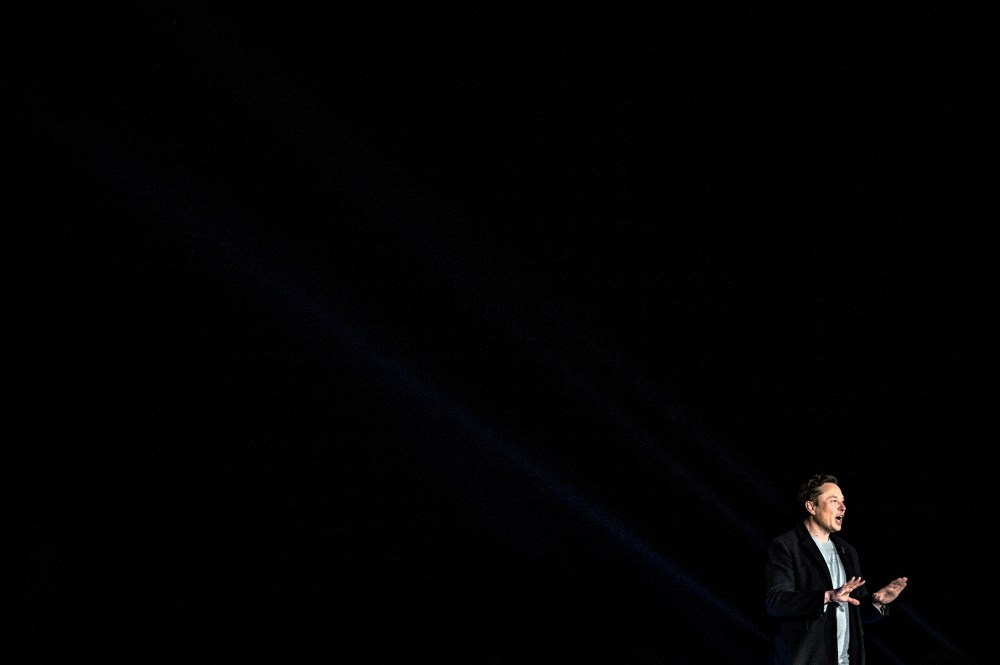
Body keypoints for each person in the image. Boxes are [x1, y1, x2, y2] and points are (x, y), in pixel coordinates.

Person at [764, 473, 908, 665]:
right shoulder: (787, 546)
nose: (843, 507)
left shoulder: (847, 551)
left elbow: (855, 611)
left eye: (843, 501)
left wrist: (876, 601)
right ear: (811, 507)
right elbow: (776, 602)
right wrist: (827, 596)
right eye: (834, 501)